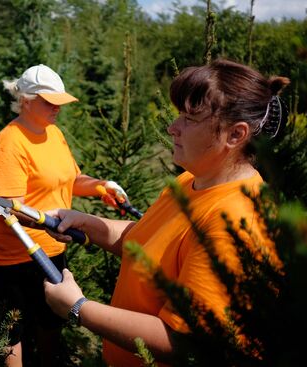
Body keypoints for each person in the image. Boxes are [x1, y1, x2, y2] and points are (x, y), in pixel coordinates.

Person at [42, 58, 289, 366]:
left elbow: (186, 342)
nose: (173, 127)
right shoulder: (192, 181)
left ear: (235, 135)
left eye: (189, 117)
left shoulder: (236, 222)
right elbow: (151, 241)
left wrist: (79, 307)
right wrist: (87, 223)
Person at [0, 64, 128, 367]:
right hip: (11, 256)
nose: (57, 107)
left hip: (51, 247)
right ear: (26, 101)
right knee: (11, 333)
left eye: (60, 101)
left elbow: (71, 179)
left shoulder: (53, 134)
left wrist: (101, 187)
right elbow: (10, 209)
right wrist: (50, 224)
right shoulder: (10, 143)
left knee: (50, 320)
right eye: (49, 101)